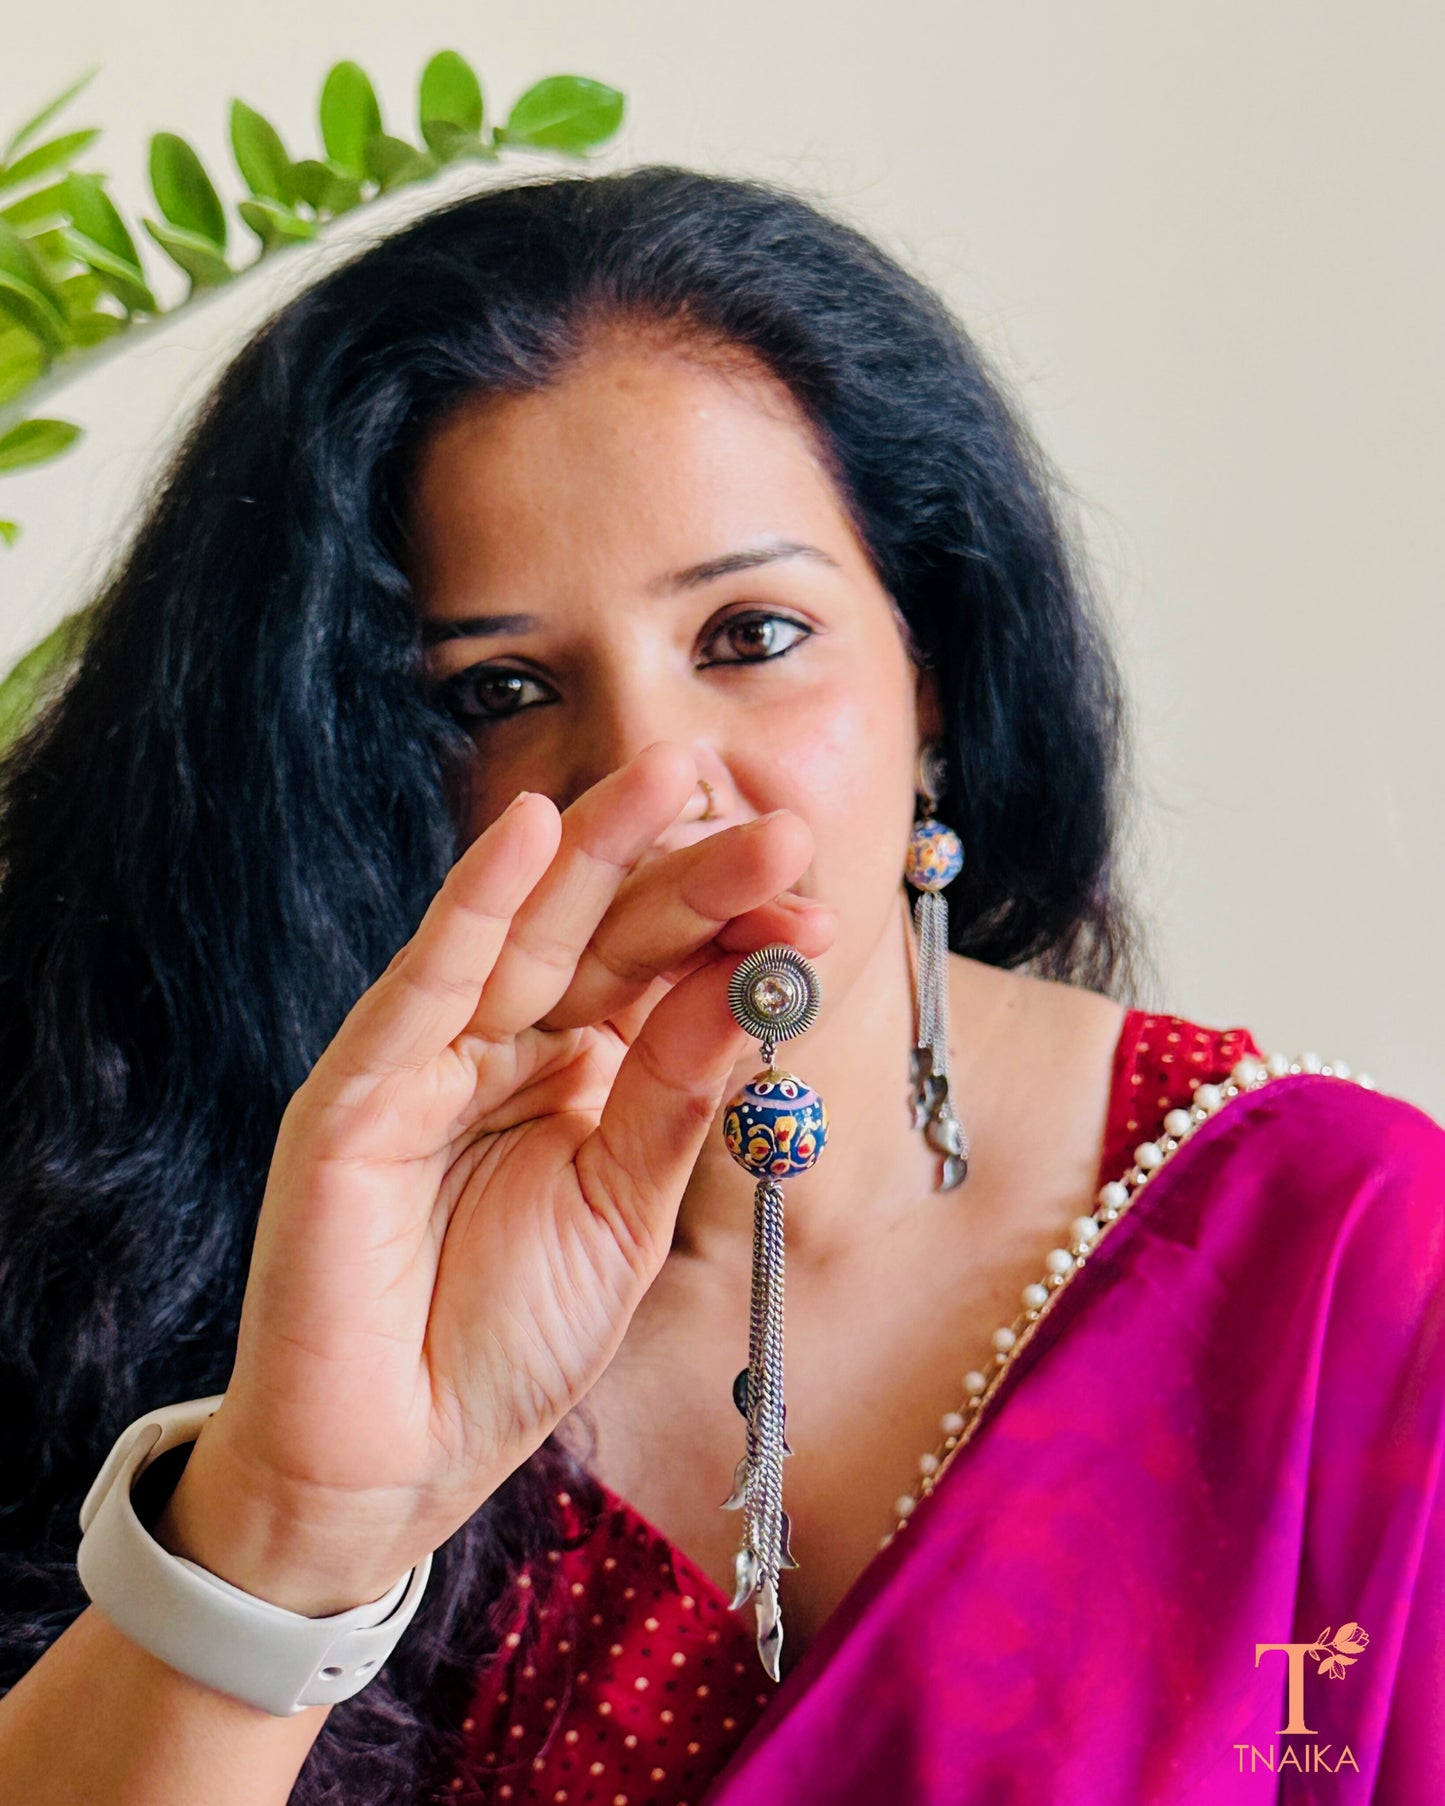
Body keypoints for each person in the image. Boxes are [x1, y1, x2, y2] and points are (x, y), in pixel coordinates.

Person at [0, 164, 1438, 1806]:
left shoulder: (1344, 1257)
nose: (659, 782)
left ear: (940, 670)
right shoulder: (169, 1278)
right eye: (502, 691)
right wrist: (288, 1519)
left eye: (750, 635)